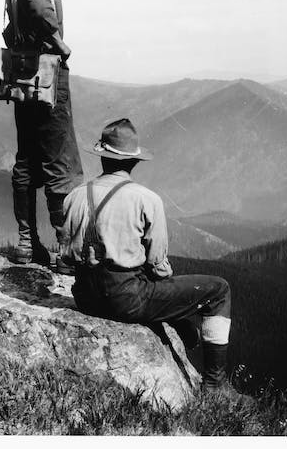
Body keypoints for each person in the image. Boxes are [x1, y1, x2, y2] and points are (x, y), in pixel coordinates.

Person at [60, 118, 232, 388]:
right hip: (126, 300)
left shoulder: (74, 196)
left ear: (102, 158)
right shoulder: (146, 199)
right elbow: (158, 265)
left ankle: (181, 325)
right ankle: (215, 385)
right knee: (219, 290)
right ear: (134, 162)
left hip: (85, 297)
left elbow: (67, 257)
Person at [4, 0, 84, 272]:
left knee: (27, 156)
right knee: (59, 158)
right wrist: (59, 43)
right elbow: (41, 8)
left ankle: (26, 242)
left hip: (23, 75)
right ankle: (66, 250)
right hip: (48, 72)